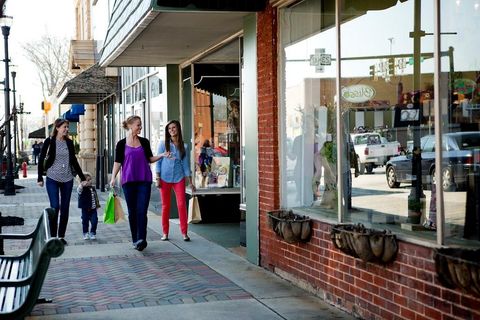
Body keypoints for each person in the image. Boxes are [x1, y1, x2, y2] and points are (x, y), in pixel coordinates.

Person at [109, 115, 164, 251]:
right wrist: (112, 178)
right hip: (128, 181)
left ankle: (142, 239)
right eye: (138, 125)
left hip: (144, 180)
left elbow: (150, 159)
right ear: (130, 125)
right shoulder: (121, 144)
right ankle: (135, 239)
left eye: (140, 125)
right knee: (132, 211)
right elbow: (117, 162)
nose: (140, 127)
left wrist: (162, 155)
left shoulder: (144, 142)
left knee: (142, 210)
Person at [37, 118, 86, 245]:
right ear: (57, 128)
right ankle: (53, 237)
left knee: (65, 208)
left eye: (67, 127)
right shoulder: (49, 141)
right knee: (55, 207)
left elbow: (74, 161)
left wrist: (83, 177)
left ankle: (61, 236)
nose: (66, 129)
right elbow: (41, 157)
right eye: (64, 127)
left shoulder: (69, 142)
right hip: (52, 177)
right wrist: (39, 177)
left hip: (67, 179)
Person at [156, 120, 196, 242]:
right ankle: (165, 233)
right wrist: (157, 177)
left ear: (178, 129)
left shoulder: (184, 146)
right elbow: (159, 161)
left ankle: (184, 233)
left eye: (173, 128)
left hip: (179, 178)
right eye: (169, 129)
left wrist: (190, 181)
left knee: (181, 205)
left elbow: (185, 165)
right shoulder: (163, 144)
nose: (172, 130)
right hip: (164, 178)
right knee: (165, 206)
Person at [77, 172, 100, 240]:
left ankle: (92, 232)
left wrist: (97, 205)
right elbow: (79, 190)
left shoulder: (92, 188)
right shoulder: (81, 189)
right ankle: (85, 233)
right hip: (85, 209)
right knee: (85, 221)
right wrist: (81, 185)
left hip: (93, 209)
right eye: (88, 180)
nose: (90, 181)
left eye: (90, 179)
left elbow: (95, 197)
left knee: (94, 221)